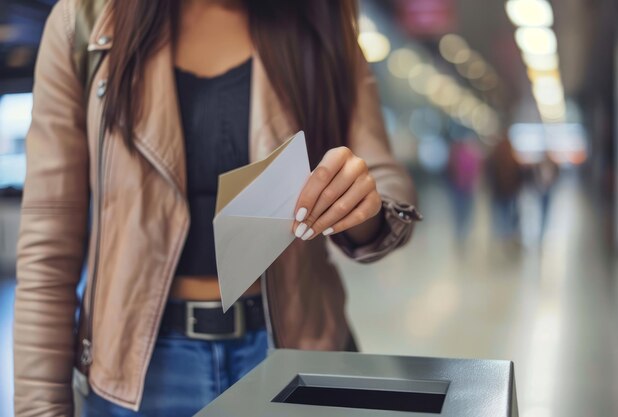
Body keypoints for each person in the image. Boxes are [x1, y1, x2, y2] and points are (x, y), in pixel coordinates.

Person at [13, 0, 420, 416]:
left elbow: (384, 177)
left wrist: (361, 204)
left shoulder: (321, 16)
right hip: (140, 373)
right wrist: (39, 407)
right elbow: (48, 253)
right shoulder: (86, 23)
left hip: (295, 353)